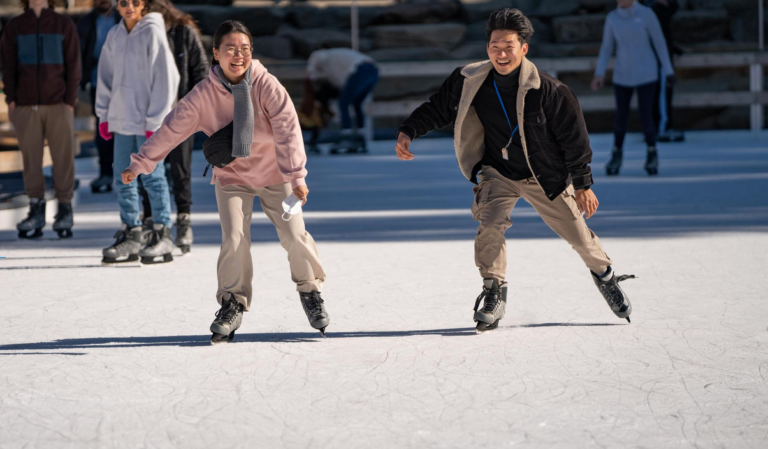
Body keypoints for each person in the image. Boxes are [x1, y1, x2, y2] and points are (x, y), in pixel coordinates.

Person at [395, 8, 636, 333]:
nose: (501, 53)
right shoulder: (470, 79)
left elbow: (574, 138)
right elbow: (439, 108)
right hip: (497, 171)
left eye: (509, 46)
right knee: (489, 223)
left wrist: (582, 183)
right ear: (487, 47)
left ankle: (605, 275)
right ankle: (494, 292)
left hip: (544, 176)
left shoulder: (549, 90)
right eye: (495, 45)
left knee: (579, 236)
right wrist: (409, 130)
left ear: (524, 48)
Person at [122, 21, 330, 344]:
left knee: (294, 234)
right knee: (234, 237)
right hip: (233, 178)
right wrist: (142, 162)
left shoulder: (266, 85)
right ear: (216, 54)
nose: (239, 55)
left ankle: (310, 291)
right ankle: (232, 303)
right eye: (230, 49)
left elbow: (289, 130)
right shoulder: (203, 96)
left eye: (245, 49)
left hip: (277, 176)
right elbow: (171, 129)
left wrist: (296, 176)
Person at [96, 0, 180, 265]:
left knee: (153, 177)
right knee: (123, 177)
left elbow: (166, 76)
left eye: (135, 1)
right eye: (123, 2)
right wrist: (104, 114)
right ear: (116, 6)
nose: (129, 6)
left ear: (144, 4)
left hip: (148, 122)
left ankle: (162, 232)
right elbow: (105, 75)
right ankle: (132, 233)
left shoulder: (153, 30)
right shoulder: (115, 35)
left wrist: (156, 119)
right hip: (122, 120)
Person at [1, 0, 81, 239]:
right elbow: (8, 65)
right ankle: (36, 208)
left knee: (62, 158)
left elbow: (74, 65)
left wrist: (69, 101)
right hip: (26, 106)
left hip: (58, 105)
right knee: (31, 160)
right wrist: (12, 100)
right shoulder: (15, 26)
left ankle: (65, 210)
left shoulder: (63, 25)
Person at [138, 0, 209, 254]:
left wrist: (190, 107)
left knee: (180, 169)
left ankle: (184, 220)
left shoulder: (183, 33)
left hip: (181, 114)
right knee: (148, 167)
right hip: (150, 115)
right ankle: (150, 219)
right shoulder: (140, 33)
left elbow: (200, 71)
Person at [591, 0, 674, 176]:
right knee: (621, 116)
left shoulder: (646, 14)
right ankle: (616, 154)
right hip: (622, 74)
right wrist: (600, 73)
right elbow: (607, 47)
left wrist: (668, 71)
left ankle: (652, 152)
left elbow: (659, 41)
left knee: (646, 115)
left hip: (646, 72)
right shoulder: (612, 18)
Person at [78, 0, 120, 193]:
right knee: (103, 129)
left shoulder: (123, 18)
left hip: (125, 84)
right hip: (99, 83)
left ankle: (125, 171)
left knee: (125, 128)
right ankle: (105, 172)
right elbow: (81, 52)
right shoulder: (87, 22)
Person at [306, 48, 378, 154]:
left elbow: (341, 82)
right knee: (357, 103)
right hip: (373, 70)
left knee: (343, 103)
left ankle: (346, 135)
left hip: (360, 71)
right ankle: (360, 135)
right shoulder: (335, 54)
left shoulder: (329, 61)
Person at [643, 0, 684, 142]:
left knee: (662, 94)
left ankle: (660, 127)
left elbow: (664, 35)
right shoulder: (653, 11)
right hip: (658, 62)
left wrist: (674, 48)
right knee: (661, 94)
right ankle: (662, 128)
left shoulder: (658, 11)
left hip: (663, 59)